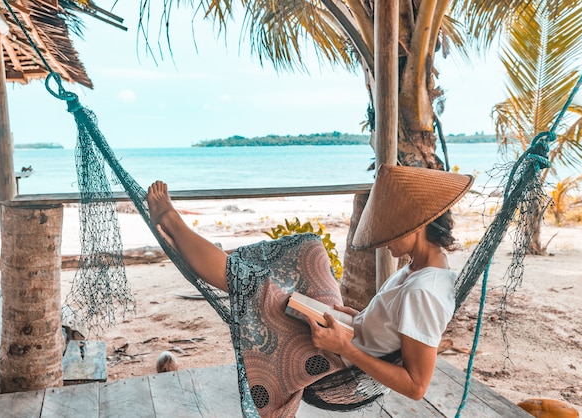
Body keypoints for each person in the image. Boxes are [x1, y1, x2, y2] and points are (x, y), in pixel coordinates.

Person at [146, 163, 473, 416]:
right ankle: (208, 256)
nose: (383, 240)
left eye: (388, 231)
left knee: (260, 290)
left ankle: (176, 227)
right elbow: (394, 324)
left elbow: (416, 386)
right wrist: (356, 317)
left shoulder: (425, 292)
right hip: (344, 327)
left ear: (415, 225)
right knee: (307, 248)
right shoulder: (422, 264)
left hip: (337, 363)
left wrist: (344, 347)